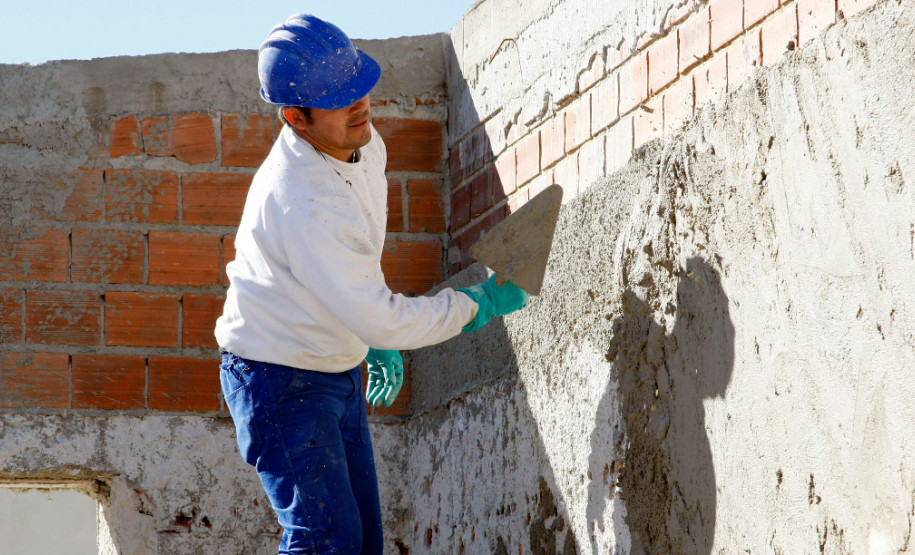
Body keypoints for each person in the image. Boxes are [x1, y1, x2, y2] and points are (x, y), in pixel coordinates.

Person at [214, 13, 530, 555]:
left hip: (330, 369)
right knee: (326, 541)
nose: (360, 104)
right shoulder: (303, 199)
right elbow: (370, 301)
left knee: (362, 544)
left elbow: (354, 259)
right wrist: (475, 304)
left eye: (358, 86)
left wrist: (370, 337)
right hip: (277, 379)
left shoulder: (364, 144)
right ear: (296, 116)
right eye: (338, 97)